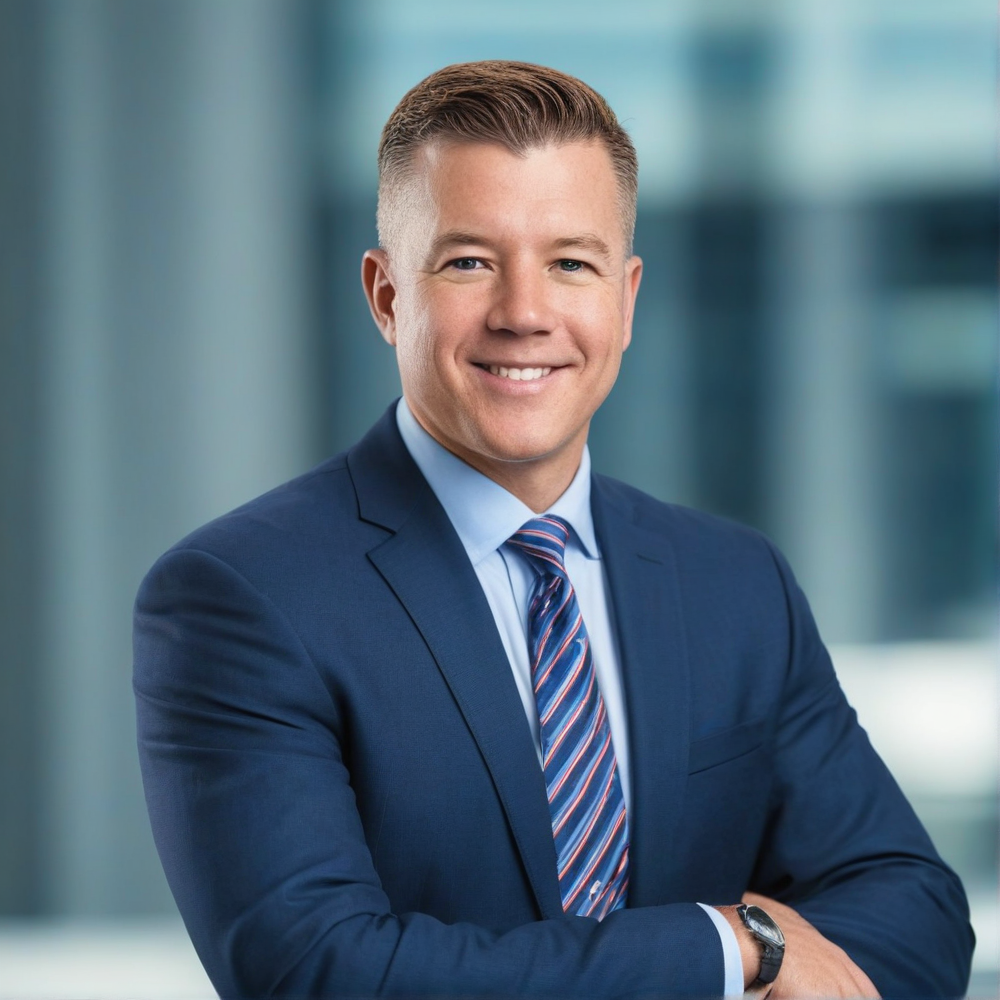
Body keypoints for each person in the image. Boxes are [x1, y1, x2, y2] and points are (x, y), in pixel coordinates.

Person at [133, 61, 973, 999]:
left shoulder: (735, 583)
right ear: (385, 296)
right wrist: (731, 946)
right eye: (469, 262)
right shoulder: (242, 597)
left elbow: (918, 915)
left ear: (626, 298)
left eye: (571, 262)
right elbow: (319, 973)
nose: (524, 314)